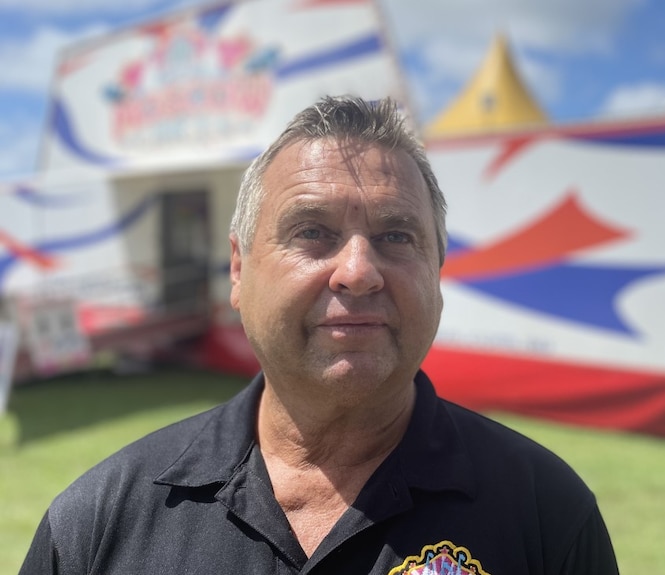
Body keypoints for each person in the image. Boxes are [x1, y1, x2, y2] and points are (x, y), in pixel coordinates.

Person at [19, 95, 619, 575]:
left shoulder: (546, 514)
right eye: (311, 231)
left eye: (397, 236)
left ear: (437, 271)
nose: (358, 271)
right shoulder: (96, 524)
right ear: (238, 267)